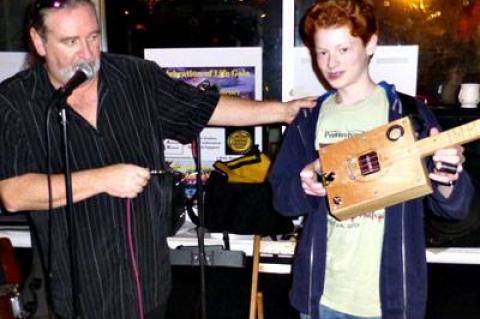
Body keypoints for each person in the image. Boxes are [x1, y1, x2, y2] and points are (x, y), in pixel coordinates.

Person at [0, 1, 316, 318]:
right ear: (39, 42)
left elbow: (205, 108)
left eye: (93, 37)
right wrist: (103, 179)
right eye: (71, 42)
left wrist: (283, 111)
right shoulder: (15, 102)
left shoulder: (136, 77)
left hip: (148, 289)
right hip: (78, 298)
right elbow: (14, 194)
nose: (86, 52)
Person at [269, 1, 474, 318]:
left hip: (391, 301)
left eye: (343, 49)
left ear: (371, 44)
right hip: (320, 297)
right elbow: (282, 201)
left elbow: (453, 207)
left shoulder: (409, 115)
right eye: (322, 52)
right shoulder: (309, 119)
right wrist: (304, 185)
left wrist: (448, 174)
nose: (331, 63)